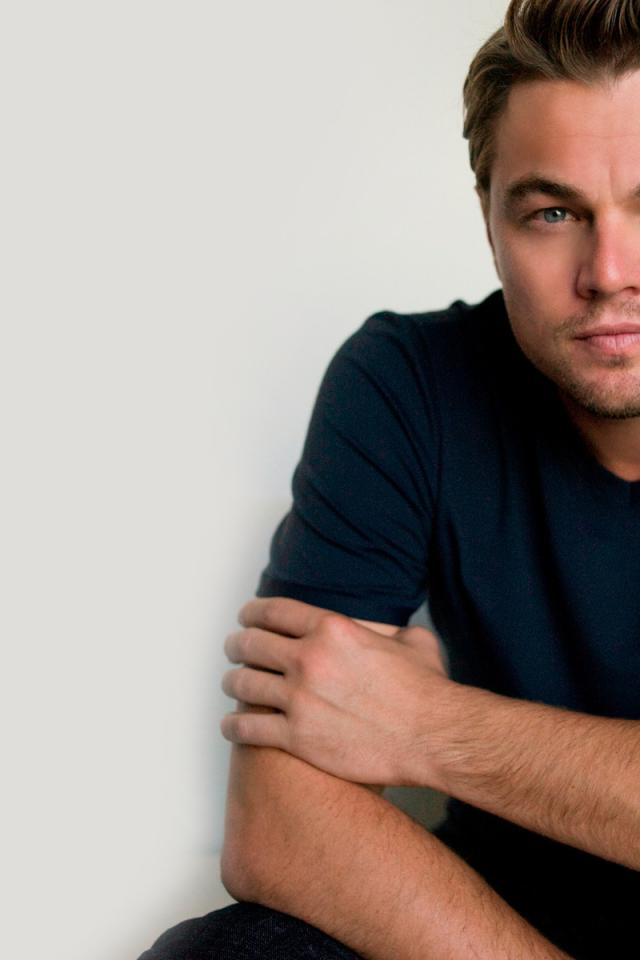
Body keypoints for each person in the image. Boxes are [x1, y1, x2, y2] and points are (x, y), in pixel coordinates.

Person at [139, 1, 640, 957]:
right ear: (490, 224)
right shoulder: (408, 383)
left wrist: (430, 727)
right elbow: (275, 820)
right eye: (552, 212)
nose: (608, 272)